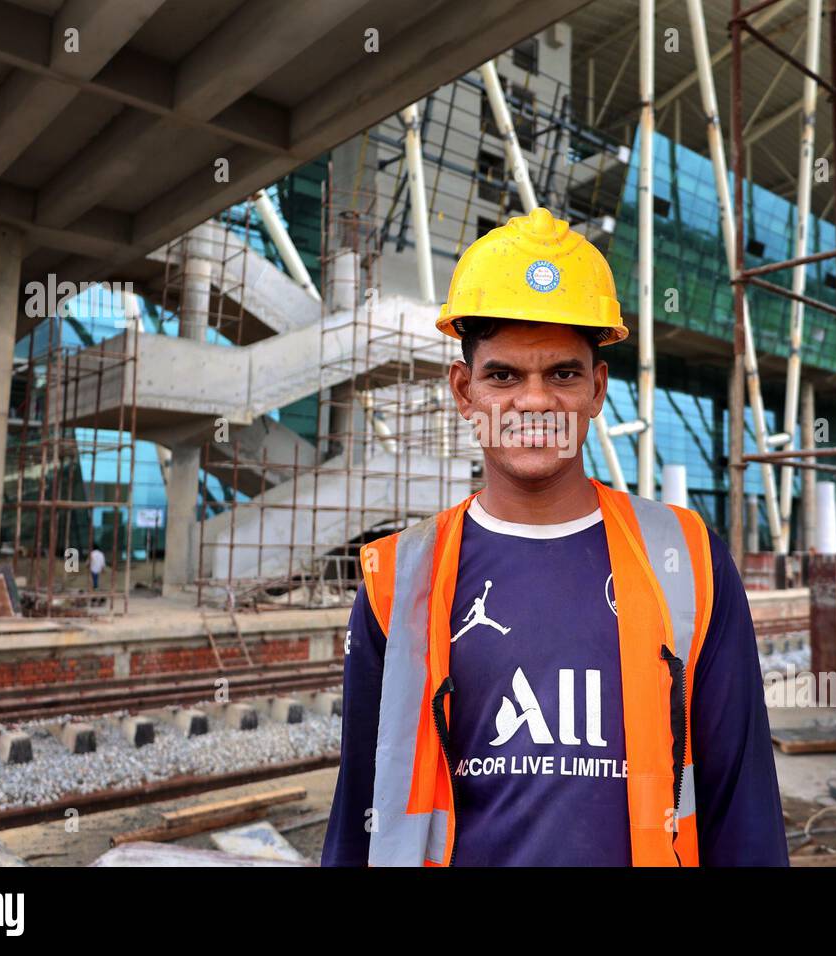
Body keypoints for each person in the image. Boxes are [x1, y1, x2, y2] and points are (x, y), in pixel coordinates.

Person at [321, 207, 787, 867]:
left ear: (598, 388)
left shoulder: (686, 561)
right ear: (464, 389)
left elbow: (744, 811)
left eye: (563, 374)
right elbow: (360, 817)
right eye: (504, 375)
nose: (534, 402)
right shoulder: (399, 581)